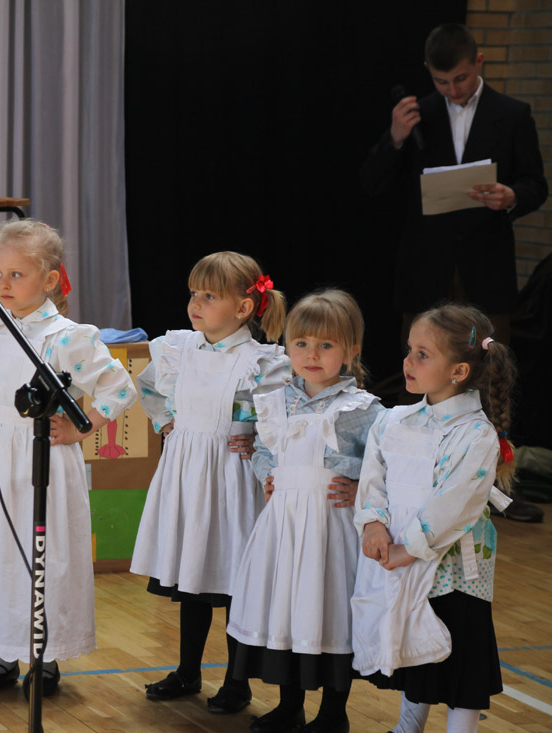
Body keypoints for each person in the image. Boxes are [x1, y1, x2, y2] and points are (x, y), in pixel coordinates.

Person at [0, 219, 136, 698]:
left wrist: (82, 426)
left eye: (16, 275)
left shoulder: (67, 336)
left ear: (49, 279)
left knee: (42, 554)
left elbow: (118, 388)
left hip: (41, 456)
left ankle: (44, 657)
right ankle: (2, 652)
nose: (3, 284)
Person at [131, 251, 289, 714]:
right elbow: (149, 387)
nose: (195, 304)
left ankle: (237, 683)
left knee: (233, 579)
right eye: (193, 294)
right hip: (187, 474)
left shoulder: (262, 362)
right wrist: (165, 421)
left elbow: (279, 419)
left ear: (243, 308)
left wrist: (258, 441)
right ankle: (188, 671)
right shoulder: (178, 348)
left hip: (232, 480)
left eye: (209, 296)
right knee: (193, 575)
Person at [351, 304, 515, 733]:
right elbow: (373, 476)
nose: (408, 361)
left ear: (459, 371)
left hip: (455, 572)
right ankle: (407, 727)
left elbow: (454, 504)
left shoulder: (476, 435)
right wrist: (373, 522)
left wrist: (410, 548)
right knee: (417, 651)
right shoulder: (393, 421)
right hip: (400, 555)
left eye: (422, 354)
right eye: (409, 350)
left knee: (461, 663)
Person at [227, 290, 383, 733]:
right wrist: (266, 474)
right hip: (283, 526)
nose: (311, 355)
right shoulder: (274, 400)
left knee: (328, 609)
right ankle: (289, 706)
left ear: (350, 350)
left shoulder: (364, 409)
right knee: (285, 609)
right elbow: (263, 450)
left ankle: (333, 713)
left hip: (332, 530)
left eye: (326, 345)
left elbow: (382, 465)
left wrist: (360, 486)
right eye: (301, 344)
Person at [361, 22, 547, 344]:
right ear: (428, 70)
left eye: (461, 78)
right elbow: (371, 182)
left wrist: (511, 196)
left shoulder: (513, 114)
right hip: (425, 269)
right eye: (441, 81)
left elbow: (536, 185)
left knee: (488, 364)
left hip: (486, 268)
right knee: (421, 363)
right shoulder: (418, 115)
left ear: (478, 61)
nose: (454, 90)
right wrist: (395, 138)